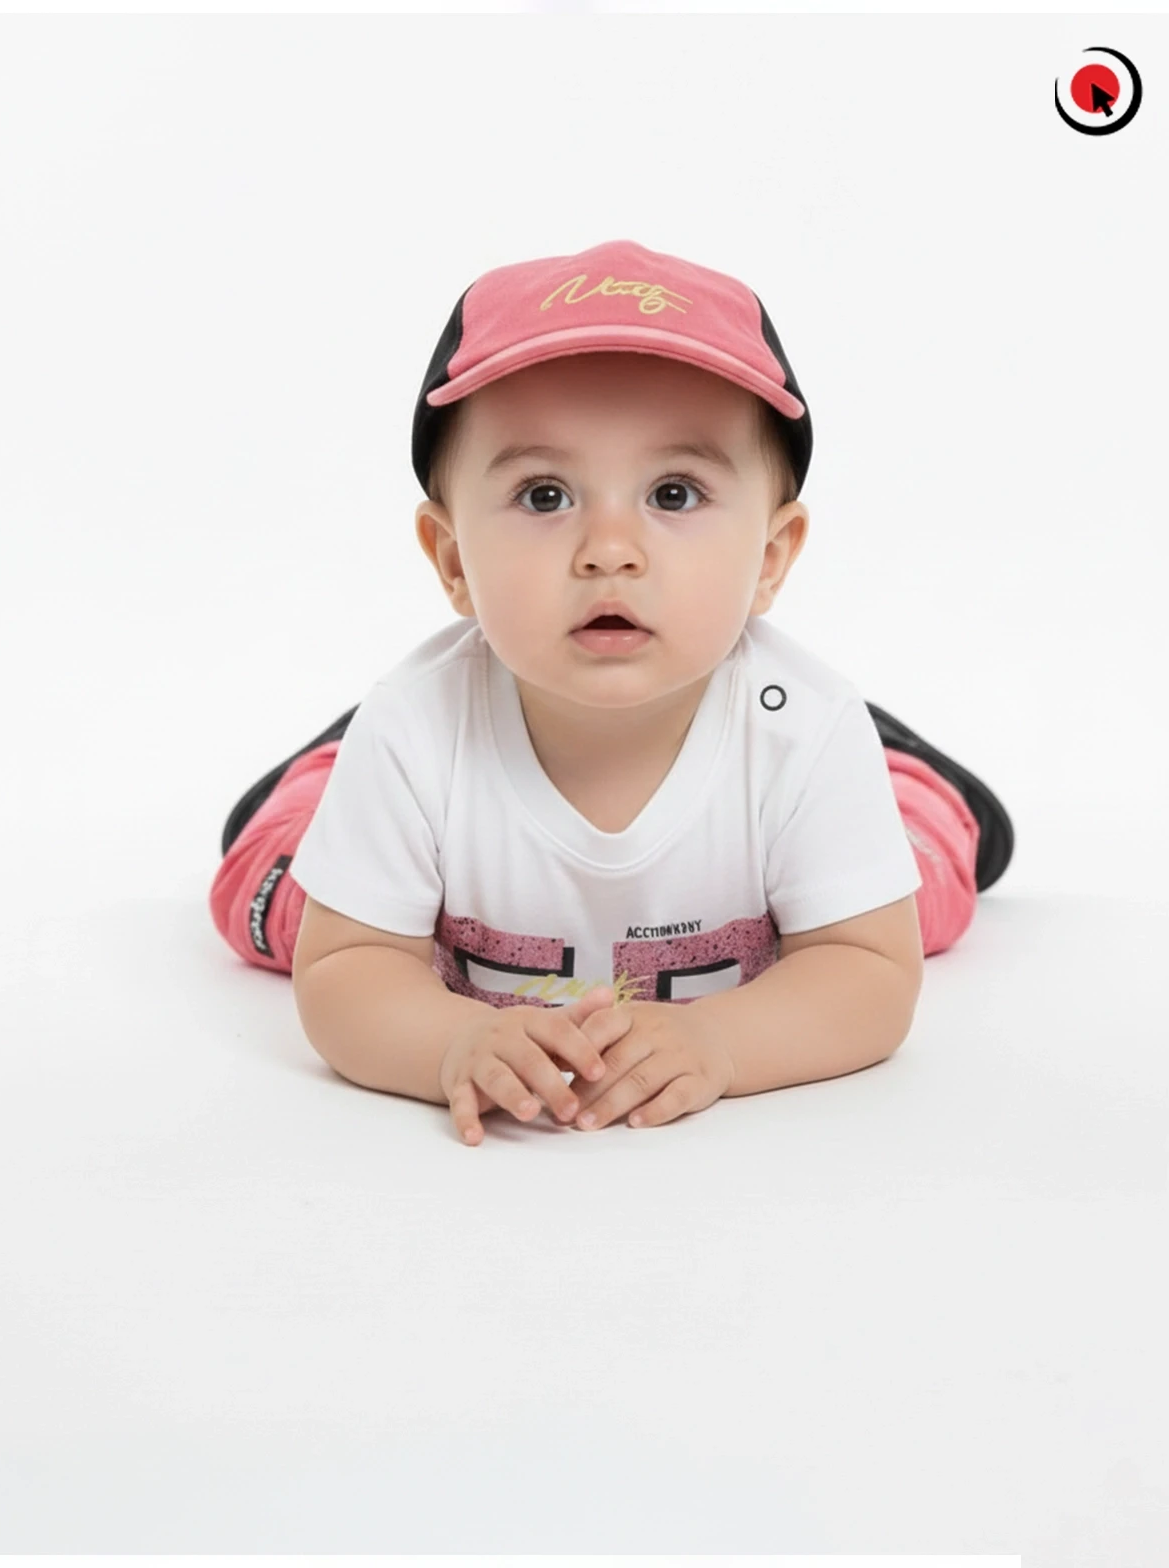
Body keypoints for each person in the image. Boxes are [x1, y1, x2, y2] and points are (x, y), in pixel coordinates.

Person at [209, 237, 1014, 1144]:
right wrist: (447, 1042)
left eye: (674, 494)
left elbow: (869, 974)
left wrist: (722, 1042)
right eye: (544, 496)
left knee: (914, 892)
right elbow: (347, 971)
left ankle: (911, 774)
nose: (609, 550)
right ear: (453, 560)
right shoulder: (410, 731)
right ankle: (323, 778)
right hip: (438, 745)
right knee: (281, 906)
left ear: (770, 557)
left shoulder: (810, 733)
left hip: (793, 767)